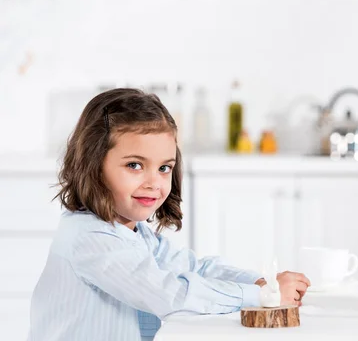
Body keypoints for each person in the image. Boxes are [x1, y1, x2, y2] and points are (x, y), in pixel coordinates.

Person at [28, 88, 310, 341]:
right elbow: (170, 295)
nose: (154, 181)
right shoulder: (89, 239)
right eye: (135, 165)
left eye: (164, 168)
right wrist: (263, 296)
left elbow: (195, 268)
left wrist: (263, 283)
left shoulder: (133, 233)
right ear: (93, 165)